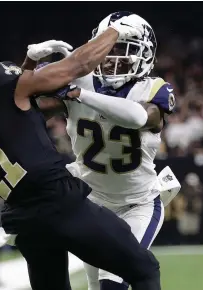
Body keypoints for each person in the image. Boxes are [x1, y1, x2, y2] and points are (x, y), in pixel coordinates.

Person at [0, 15, 162, 290]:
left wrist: (28, 63)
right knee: (144, 270)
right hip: (59, 203)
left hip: (24, 221)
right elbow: (77, 66)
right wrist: (116, 30)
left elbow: (14, 109)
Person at [33, 11, 181, 290]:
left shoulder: (153, 89)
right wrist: (41, 70)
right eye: (109, 50)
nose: (114, 59)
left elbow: (139, 116)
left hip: (138, 204)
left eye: (125, 50)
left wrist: (79, 94)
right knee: (96, 287)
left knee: (113, 284)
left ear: (144, 55)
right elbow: (28, 105)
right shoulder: (80, 81)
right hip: (92, 204)